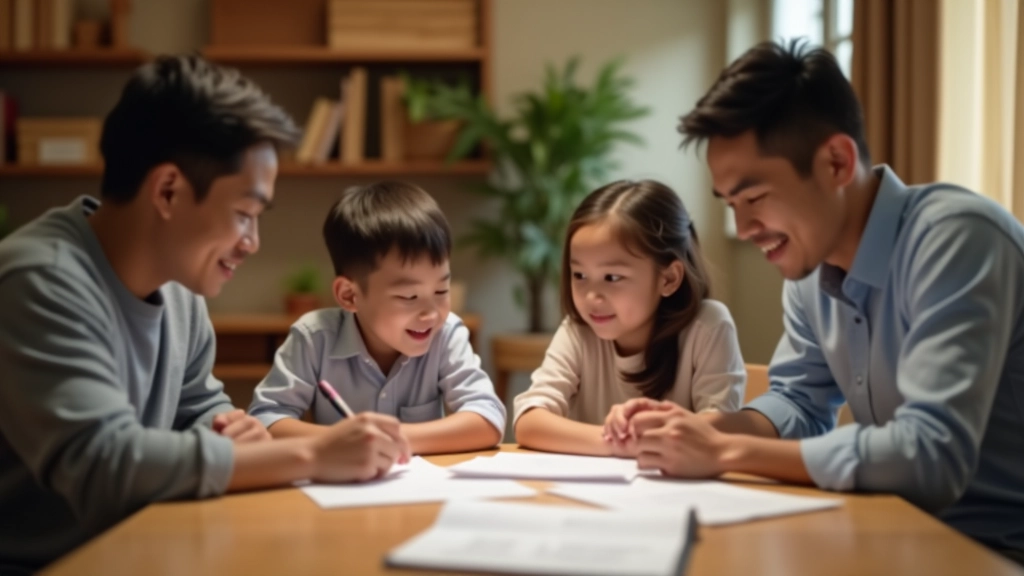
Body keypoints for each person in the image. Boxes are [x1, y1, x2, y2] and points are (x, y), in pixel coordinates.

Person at [616, 40, 1024, 565]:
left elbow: (930, 455)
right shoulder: (809, 270)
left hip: (997, 549)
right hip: (896, 532)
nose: (744, 228)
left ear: (836, 162)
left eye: (754, 197)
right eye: (731, 204)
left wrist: (726, 451)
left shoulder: (957, 240)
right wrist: (700, 429)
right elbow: (799, 402)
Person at [0, 55, 409, 573]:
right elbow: (105, 465)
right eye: (243, 214)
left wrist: (231, 432)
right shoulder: (40, 280)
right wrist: (313, 454)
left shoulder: (179, 288)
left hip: (144, 549)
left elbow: (203, 411)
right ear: (168, 190)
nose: (252, 242)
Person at [248, 181, 505, 454]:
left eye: (441, 290)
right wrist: (340, 443)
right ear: (349, 295)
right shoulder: (314, 338)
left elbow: (488, 418)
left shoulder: (447, 333)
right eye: (409, 296)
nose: (431, 313)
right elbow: (265, 420)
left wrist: (388, 439)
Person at [513, 179, 745, 456]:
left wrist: (633, 438)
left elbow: (718, 429)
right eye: (580, 275)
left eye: (612, 277)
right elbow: (529, 421)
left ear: (669, 279)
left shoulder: (708, 326)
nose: (591, 297)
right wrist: (620, 441)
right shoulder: (578, 331)